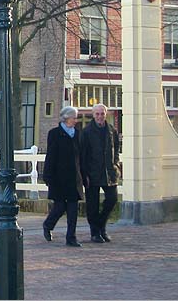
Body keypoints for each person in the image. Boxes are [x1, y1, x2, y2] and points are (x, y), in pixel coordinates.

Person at [42, 106, 84, 247]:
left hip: (74, 178)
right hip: (58, 178)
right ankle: (48, 225)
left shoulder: (77, 134)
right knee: (59, 207)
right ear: (66, 118)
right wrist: (48, 176)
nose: (75, 120)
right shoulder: (54, 134)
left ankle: (71, 237)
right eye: (74, 117)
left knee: (73, 209)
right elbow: (51, 156)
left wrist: (84, 175)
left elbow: (81, 157)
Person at [82, 103, 120, 244]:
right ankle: (95, 232)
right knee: (92, 204)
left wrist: (115, 164)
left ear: (106, 114)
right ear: (93, 115)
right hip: (92, 172)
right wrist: (85, 173)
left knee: (112, 199)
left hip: (109, 172)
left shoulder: (111, 130)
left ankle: (101, 226)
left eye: (102, 114)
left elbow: (116, 149)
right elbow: (83, 154)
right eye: (97, 114)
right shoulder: (86, 132)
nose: (100, 116)